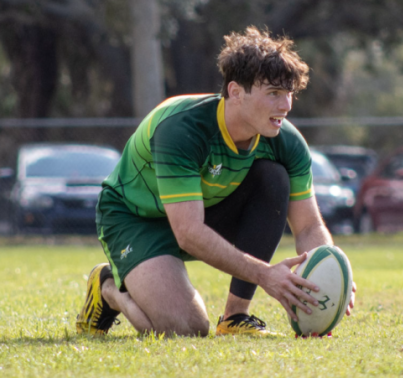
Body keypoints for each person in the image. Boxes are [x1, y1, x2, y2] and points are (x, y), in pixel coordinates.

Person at [75, 26, 356, 337]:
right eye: (274, 93)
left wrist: (329, 270)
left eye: (289, 93)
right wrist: (265, 275)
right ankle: (109, 289)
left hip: (203, 209)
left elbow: (307, 226)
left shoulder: (285, 140)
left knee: (274, 179)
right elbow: (189, 233)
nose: (286, 106)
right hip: (135, 218)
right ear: (235, 92)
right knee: (185, 329)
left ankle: (235, 317)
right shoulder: (181, 128)